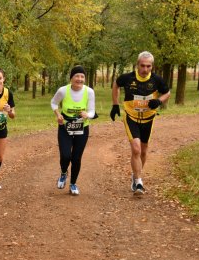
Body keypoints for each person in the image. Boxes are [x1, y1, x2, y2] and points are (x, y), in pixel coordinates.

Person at [110, 51, 170, 196]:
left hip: (148, 119)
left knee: (143, 150)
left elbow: (167, 92)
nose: (145, 69)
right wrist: (115, 105)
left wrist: (159, 101)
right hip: (131, 117)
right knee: (136, 149)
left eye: (148, 66)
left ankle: (136, 175)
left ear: (152, 67)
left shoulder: (157, 80)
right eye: (142, 65)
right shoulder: (128, 78)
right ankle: (138, 182)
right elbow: (116, 85)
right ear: (137, 65)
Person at [51, 65, 96, 195]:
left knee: (76, 158)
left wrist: (88, 115)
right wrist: (58, 114)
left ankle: (73, 184)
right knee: (65, 155)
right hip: (65, 126)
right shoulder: (63, 91)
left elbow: (92, 111)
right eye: (77, 76)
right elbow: (53, 103)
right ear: (71, 78)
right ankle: (64, 172)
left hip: (82, 128)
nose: (80, 79)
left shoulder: (89, 92)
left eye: (82, 76)